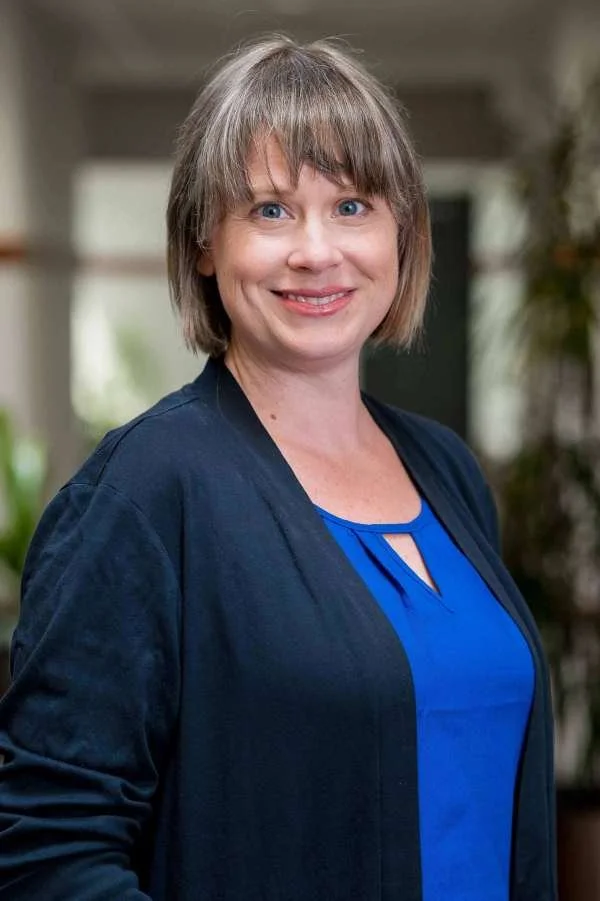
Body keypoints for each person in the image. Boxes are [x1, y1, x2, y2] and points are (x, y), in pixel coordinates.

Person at [0, 34, 556, 901]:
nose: (316, 251)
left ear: (400, 235)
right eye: (268, 210)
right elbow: (46, 850)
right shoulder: (148, 489)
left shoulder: (446, 471)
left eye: (352, 206)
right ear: (201, 244)